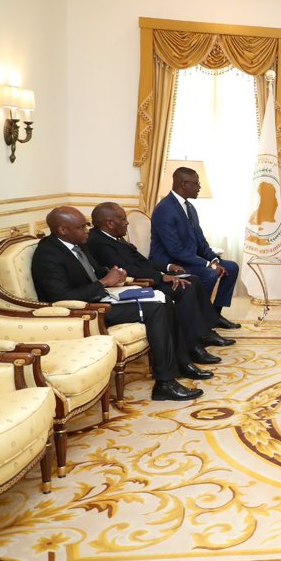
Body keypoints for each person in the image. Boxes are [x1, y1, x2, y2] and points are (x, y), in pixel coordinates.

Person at [31, 206, 210, 401]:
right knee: (156, 309)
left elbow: (97, 271)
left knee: (163, 299)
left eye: (86, 225)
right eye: (81, 227)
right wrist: (104, 282)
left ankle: (181, 362)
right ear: (63, 230)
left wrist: (114, 274)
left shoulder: (77, 244)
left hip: (103, 296)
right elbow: (61, 298)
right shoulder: (48, 255)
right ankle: (165, 383)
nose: (87, 230)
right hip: (84, 312)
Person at [87, 202, 235, 365]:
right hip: (137, 283)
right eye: (122, 219)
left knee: (193, 279)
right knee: (184, 288)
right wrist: (160, 277)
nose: (127, 222)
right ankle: (192, 346)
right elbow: (126, 269)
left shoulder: (116, 238)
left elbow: (142, 262)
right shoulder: (98, 242)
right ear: (110, 223)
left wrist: (167, 267)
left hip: (148, 276)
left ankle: (204, 332)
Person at [149, 166, 241, 329]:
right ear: (184, 184)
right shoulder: (165, 209)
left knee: (231, 267)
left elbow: (200, 240)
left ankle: (214, 315)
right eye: (196, 184)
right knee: (209, 274)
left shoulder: (190, 207)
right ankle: (199, 320)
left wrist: (213, 259)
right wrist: (209, 265)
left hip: (188, 259)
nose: (199, 188)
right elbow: (174, 249)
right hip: (171, 262)